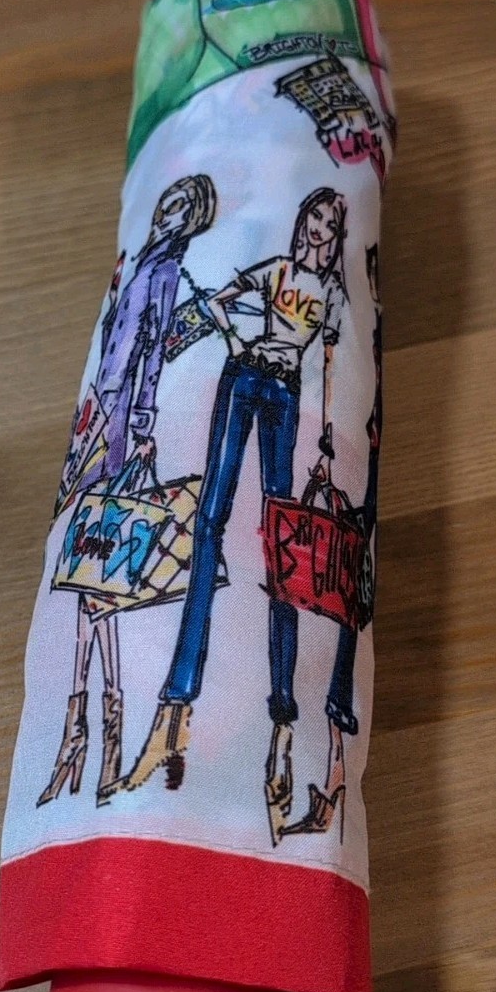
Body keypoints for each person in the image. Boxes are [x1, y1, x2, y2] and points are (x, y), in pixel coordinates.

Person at [117, 187, 348, 844]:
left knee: (280, 551)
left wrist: (327, 439)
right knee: (209, 523)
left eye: (329, 223)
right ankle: (174, 709)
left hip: (286, 394)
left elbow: (330, 366)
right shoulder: (275, 271)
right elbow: (220, 303)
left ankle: (281, 728)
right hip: (242, 378)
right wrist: (240, 331)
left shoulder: (329, 295)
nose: (318, 230)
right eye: (314, 218)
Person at [38, 173, 217, 808]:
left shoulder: (164, 273)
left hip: (114, 429)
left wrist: (140, 429)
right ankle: (93, 731)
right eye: (170, 202)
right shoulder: (142, 261)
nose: (169, 212)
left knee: (99, 574)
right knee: (91, 577)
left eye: (182, 208)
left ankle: (87, 734)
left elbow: (151, 358)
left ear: (192, 220)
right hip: (96, 419)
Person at [284, 242, 382, 836]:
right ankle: (332, 780)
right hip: (348, 465)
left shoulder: (352, 311)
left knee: (345, 622)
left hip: (355, 475)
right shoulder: (343, 309)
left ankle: (332, 782)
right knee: (342, 625)